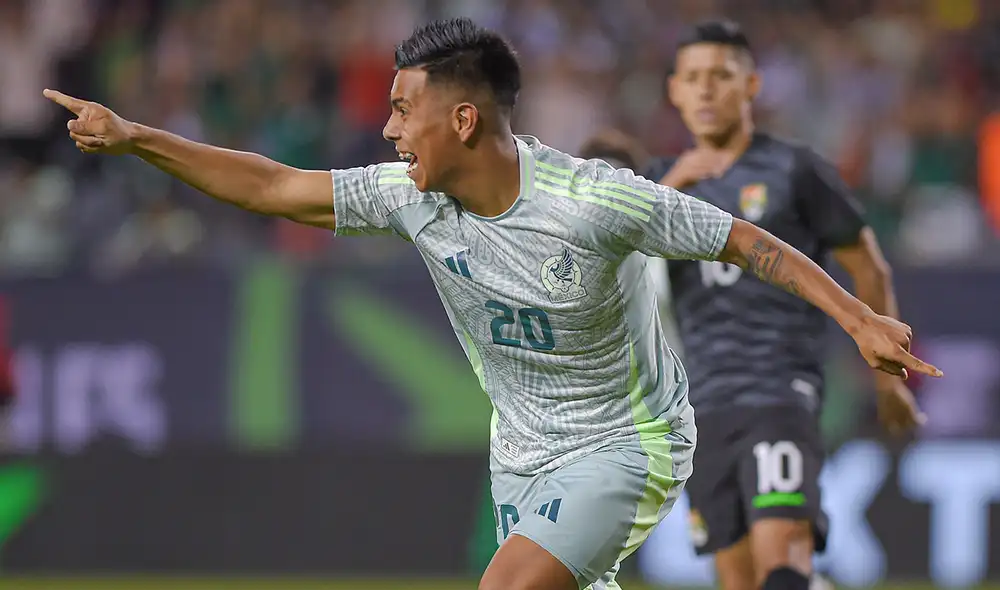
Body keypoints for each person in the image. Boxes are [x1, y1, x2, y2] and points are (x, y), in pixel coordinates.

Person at [44, 17, 940, 590]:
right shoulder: (409, 195)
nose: (389, 131)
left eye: (403, 111)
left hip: (628, 443)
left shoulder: (594, 201)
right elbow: (276, 187)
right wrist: (136, 139)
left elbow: (745, 240)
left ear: (462, 120)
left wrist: (860, 319)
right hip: (521, 454)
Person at [643, 20, 927, 590]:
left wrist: (887, 382)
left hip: (779, 389)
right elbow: (624, 283)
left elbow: (869, 266)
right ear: (674, 90)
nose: (705, 90)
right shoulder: (655, 185)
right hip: (700, 409)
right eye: (693, 78)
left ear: (752, 86)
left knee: (782, 564)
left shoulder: (794, 171)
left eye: (721, 76)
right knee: (739, 580)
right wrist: (670, 184)